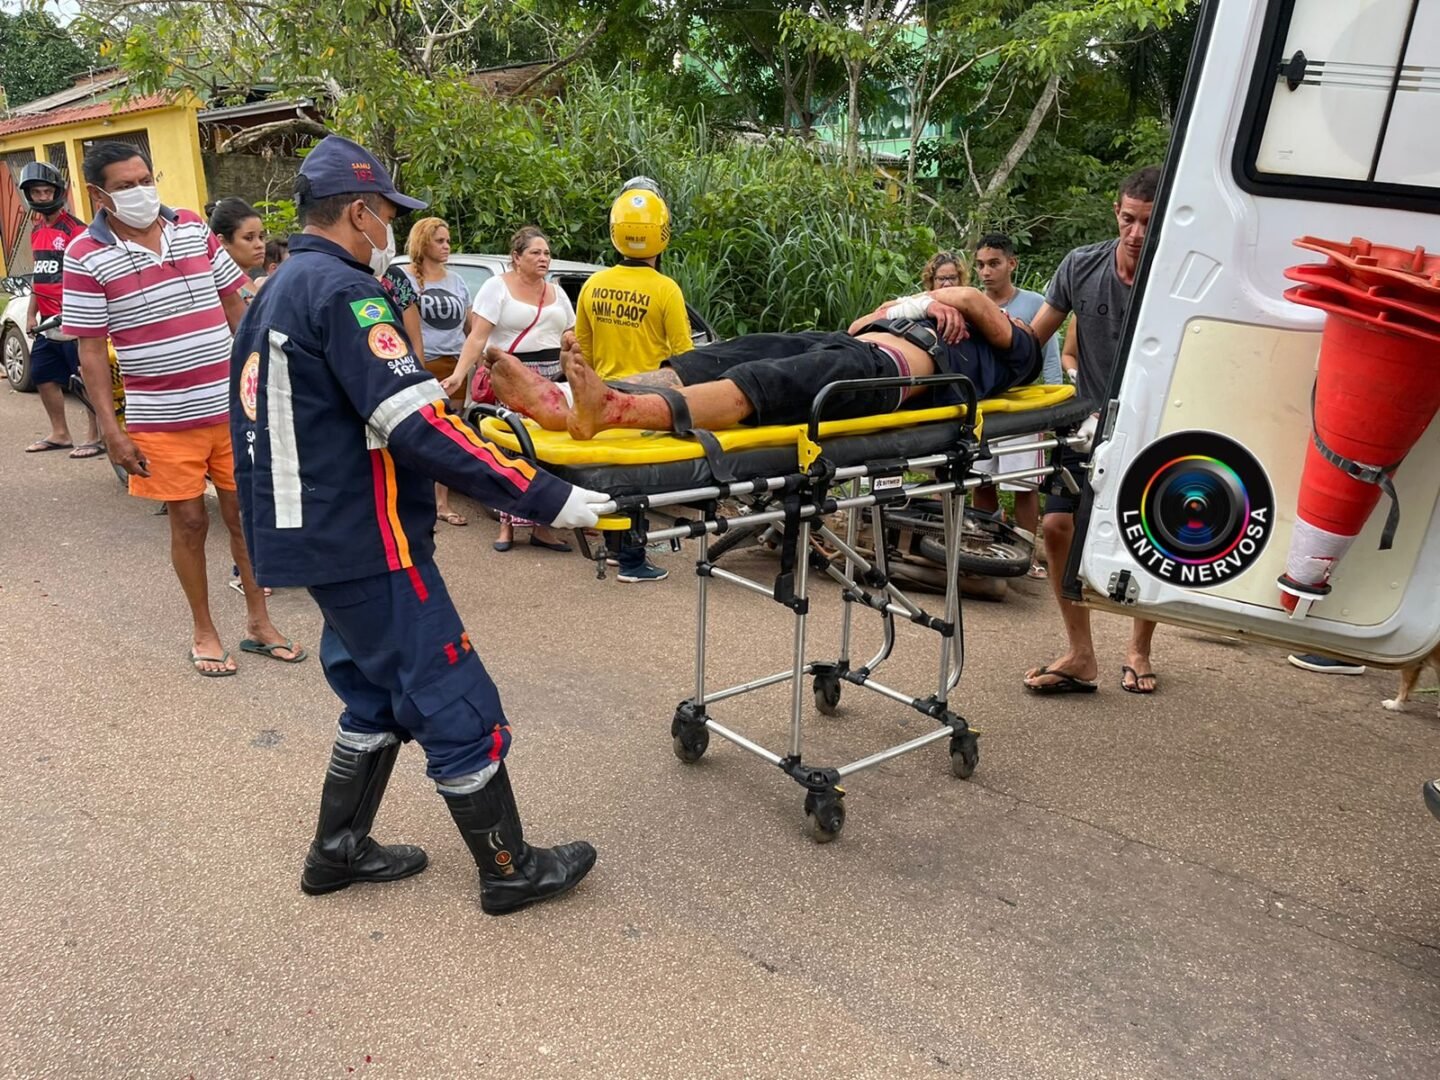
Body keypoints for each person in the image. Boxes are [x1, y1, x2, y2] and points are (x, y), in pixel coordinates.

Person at [231, 134, 606, 914]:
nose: (394, 230)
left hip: (313, 532)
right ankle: (509, 868)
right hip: (366, 538)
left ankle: (337, 850)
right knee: (450, 693)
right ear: (361, 213)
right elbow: (419, 426)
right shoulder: (346, 294)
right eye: (390, 215)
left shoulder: (278, 285)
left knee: (373, 692)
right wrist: (542, 495)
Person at [61, 141, 303, 677]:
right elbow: (90, 351)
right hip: (160, 418)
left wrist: (259, 384)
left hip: (230, 409)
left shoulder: (192, 227)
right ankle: (204, 629)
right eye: (125, 186)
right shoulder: (84, 255)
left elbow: (235, 303)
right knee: (190, 522)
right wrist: (112, 429)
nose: (141, 191)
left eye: (145, 178)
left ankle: (259, 623)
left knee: (246, 520)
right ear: (99, 194)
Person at [490, 283, 1039, 439]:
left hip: (882, 376)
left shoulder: (1019, 350)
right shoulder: (927, 309)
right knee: (722, 355)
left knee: (762, 382)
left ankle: (614, 410)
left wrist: (941, 301)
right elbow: (858, 326)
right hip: (852, 345)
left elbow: (971, 300)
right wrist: (922, 305)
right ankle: (563, 403)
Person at [1017, 166, 1162, 695]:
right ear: (1116, 213)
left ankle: (1139, 649)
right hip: (1088, 422)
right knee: (1056, 528)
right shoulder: (1082, 265)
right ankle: (1081, 653)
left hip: (1156, 427)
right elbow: (1032, 341)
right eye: (1129, 219)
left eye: (1149, 222)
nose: (1137, 234)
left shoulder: (1175, 275)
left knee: (1147, 540)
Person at [570, 180, 693, 581]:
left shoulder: (593, 285)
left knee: (616, 481)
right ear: (662, 233)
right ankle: (632, 562)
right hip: (648, 401)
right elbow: (686, 358)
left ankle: (615, 548)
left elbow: (581, 353)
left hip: (604, 396)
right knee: (640, 485)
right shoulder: (666, 290)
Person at [450, 226, 576, 551]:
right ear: (516, 257)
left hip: (551, 379)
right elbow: (477, 338)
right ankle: (507, 526)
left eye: (547, 253)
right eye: (536, 252)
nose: (543, 258)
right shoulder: (497, 288)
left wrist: (574, 346)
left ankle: (543, 527)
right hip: (512, 377)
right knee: (513, 449)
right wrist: (458, 375)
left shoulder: (557, 293)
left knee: (546, 452)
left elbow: (570, 334)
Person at [969, 233, 1064, 578]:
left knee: (1024, 483)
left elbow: (1050, 358)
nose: (986, 272)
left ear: (1012, 263)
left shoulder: (1036, 304)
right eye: (980, 265)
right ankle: (985, 547)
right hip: (985, 404)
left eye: (993, 263)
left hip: (1024, 406)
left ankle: (1026, 554)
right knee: (982, 478)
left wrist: (1054, 407)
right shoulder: (972, 303)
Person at [17, 161, 102, 459]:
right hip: (46, 321)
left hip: (73, 319)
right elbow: (40, 277)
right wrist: (30, 314)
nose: (41, 197)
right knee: (42, 375)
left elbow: (88, 273)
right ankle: (60, 433)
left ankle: (96, 435)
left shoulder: (76, 229)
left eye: (46, 191)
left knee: (86, 377)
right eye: (36, 192)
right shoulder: (37, 230)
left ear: (58, 192)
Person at [404, 216, 477, 530]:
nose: (447, 246)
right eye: (440, 241)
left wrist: (481, 358)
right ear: (423, 243)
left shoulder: (457, 281)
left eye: (448, 241)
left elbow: (471, 327)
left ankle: (441, 503)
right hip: (422, 364)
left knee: (449, 436)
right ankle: (413, 501)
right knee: (419, 435)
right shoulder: (406, 279)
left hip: (455, 365)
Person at [207, 198, 266, 302]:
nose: (259, 245)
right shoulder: (226, 291)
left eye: (261, 237)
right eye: (249, 238)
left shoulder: (251, 284)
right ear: (223, 241)